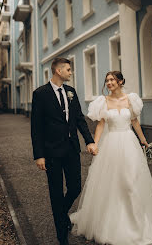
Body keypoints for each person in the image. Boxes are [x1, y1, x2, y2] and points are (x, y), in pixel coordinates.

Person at [70, 71, 152, 245]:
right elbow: (101, 125)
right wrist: (94, 143)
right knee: (113, 183)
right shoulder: (103, 102)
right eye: (107, 80)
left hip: (129, 144)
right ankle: (111, 223)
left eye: (112, 79)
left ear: (120, 81)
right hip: (111, 145)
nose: (109, 83)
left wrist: (144, 141)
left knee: (132, 181)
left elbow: (134, 121)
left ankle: (137, 222)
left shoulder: (131, 99)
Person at [31, 57, 97, 245]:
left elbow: (79, 119)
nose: (70, 72)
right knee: (56, 192)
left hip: (71, 149)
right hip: (51, 152)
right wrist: (39, 155)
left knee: (75, 186)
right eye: (68, 69)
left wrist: (89, 141)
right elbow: (36, 127)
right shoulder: (40, 94)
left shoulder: (71, 92)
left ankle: (61, 215)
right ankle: (62, 236)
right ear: (58, 71)